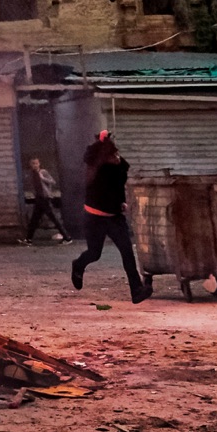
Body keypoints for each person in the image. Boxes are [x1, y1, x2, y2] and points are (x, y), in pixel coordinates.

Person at [71, 129, 151, 303]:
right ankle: (78, 265)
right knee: (94, 253)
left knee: (127, 252)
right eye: (113, 154)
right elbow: (109, 184)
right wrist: (102, 143)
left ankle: (136, 291)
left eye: (117, 154)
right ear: (104, 156)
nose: (117, 157)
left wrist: (122, 202)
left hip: (114, 218)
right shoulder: (98, 170)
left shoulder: (117, 167)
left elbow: (118, 186)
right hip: (94, 218)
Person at [24, 155, 70, 242]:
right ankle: (28, 239)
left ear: (39, 164)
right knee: (34, 220)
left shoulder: (43, 172)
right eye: (33, 164)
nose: (35, 165)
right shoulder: (31, 174)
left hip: (45, 198)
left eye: (36, 163)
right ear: (30, 164)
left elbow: (52, 181)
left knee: (53, 218)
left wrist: (43, 178)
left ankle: (67, 237)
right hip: (38, 198)